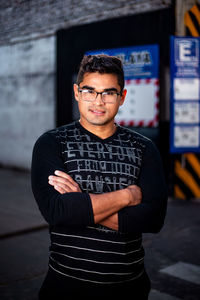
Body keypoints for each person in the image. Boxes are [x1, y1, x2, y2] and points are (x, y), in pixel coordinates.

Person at [31, 54, 168, 300]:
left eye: (109, 93)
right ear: (76, 92)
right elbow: (57, 211)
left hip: (129, 287)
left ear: (122, 97)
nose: (98, 101)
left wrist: (80, 202)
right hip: (65, 285)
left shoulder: (144, 148)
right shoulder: (52, 144)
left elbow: (153, 219)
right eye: (89, 91)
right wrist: (128, 195)